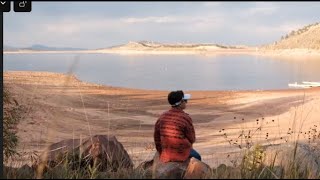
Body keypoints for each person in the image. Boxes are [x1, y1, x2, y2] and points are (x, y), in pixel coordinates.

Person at [154, 90, 201, 163]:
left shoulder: (162, 116)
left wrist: (161, 152)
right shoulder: (185, 118)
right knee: (198, 157)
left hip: (166, 153)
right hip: (181, 153)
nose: (186, 102)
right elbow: (192, 138)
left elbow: (156, 137)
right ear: (180, 103)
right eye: (185, 101)